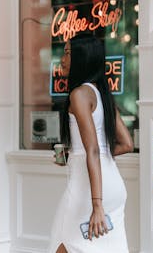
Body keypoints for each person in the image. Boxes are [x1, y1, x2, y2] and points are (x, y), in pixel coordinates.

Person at [48, 33, 134, 253]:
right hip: (113, 187)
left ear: (81, 57)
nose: (62, 59)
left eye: (67, 53)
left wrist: (97, 204)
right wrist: (75, 154)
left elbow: (93, 150)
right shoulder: (102, 94)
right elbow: (126, 144)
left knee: (62, 243)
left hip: (88, 190)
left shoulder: (79, 95)